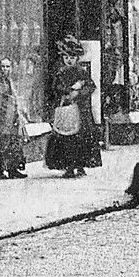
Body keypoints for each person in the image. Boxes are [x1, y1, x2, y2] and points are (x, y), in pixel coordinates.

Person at [44, 38, 101, 177]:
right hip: (67, 108)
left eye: (72, 57)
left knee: (81, 138)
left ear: (77, 58)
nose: (69, 60)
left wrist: (80, 92)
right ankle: (69, 167)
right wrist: (69, 90)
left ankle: (80, 165)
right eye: (66, 57)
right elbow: (55, 88)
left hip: (81, 110)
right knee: (66, 138)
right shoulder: (60, 72)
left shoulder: (81, 71)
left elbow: (91, 86)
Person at [0, 58, 28, 179]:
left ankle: (13, 169)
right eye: (2, 67)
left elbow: (14, 99)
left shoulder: (10, 82)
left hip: (11, 116)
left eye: (8, 67)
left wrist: (18, 114)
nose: (5, 69)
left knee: (13, 143)